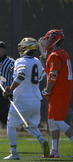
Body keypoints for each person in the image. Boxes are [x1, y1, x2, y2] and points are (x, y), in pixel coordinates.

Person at [2, 38, 49, 159]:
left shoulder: (20, 60)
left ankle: (14, 153)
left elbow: (21, 75)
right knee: (30, 125)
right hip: (36, 100)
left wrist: (9, 90)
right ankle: (41, 139)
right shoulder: (37, 62)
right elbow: (43, 75)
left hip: (22, 99)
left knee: (11, 125)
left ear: (24, 48)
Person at [40, 29, 73, 158]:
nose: (46, 42)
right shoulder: (61, 53)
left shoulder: (55, 54)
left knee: (58, 122)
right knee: (51, 121)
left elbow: (53, 75)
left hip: (59, 92)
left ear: (54, 40)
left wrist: (47, 90)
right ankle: (54, 150)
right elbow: (50, 73)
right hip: (58, 91)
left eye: (48, 39)